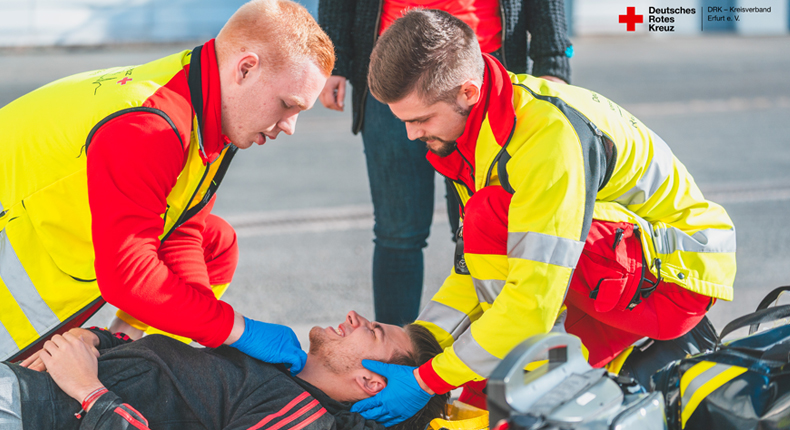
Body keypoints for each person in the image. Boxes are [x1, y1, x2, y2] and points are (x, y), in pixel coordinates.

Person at [349, 9, 737, 425]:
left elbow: (530, 303)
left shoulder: (545, 137)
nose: (411, 135)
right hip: (616, 268)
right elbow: (476, 272)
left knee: (513, 364)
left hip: (676, 278)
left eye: (421, 119)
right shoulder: (480, 131)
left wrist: (427, 380)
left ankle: (640, 344)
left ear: (467, 92)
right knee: (490, 395)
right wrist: (419, 339)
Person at [0, 0, 332, 371]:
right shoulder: (150, 125)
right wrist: (236, 329)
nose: (290, 126)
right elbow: (128, 277)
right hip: (11, 289)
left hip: (48, 250)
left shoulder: (205, 102)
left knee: (215, 242)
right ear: (246, 68)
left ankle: (138, 360)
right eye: (288, 105)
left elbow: (181, 230)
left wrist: (207, 322)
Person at [317, 0, 574, 326]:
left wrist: (553, 59)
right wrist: (333, 58)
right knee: (397, 234)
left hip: (480, 68)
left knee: (481, 231)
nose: (413, 135)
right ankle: (395, 360)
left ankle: (486, 350)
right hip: (393, 72)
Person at [0, 311, 449, 430]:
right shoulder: (283, 372)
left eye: (371, 331)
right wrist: (97, 339)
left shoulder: (299, 416)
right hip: (33, 386)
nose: (353, 316)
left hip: (39, 410)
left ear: (371, 382)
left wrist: (89, 390)